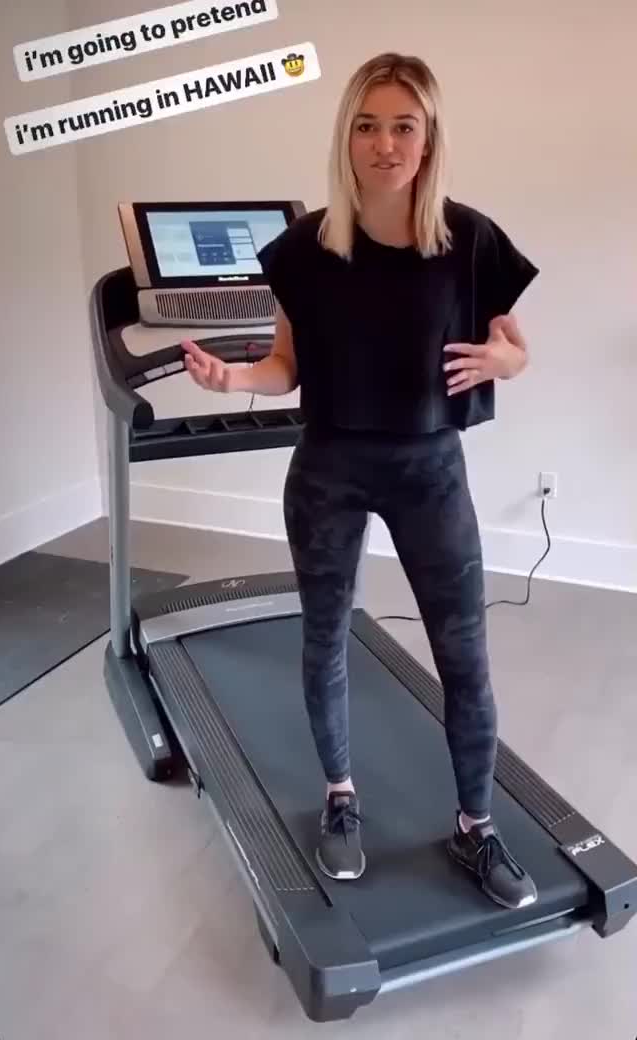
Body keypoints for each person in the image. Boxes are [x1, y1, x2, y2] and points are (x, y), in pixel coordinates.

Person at [182, 52, 540, 911]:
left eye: (403, 126)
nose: (385, 144)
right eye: (367, 126)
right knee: (325, 637)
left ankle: (476, 825)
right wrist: (233, 380)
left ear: (429, 139)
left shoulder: (470, 241)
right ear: (346, 137)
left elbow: (515, 349)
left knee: (464, 654)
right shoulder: (307, 250)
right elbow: (284, 367)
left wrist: (504, 361)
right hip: (329, 471)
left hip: (431, 472)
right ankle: (340, 798)